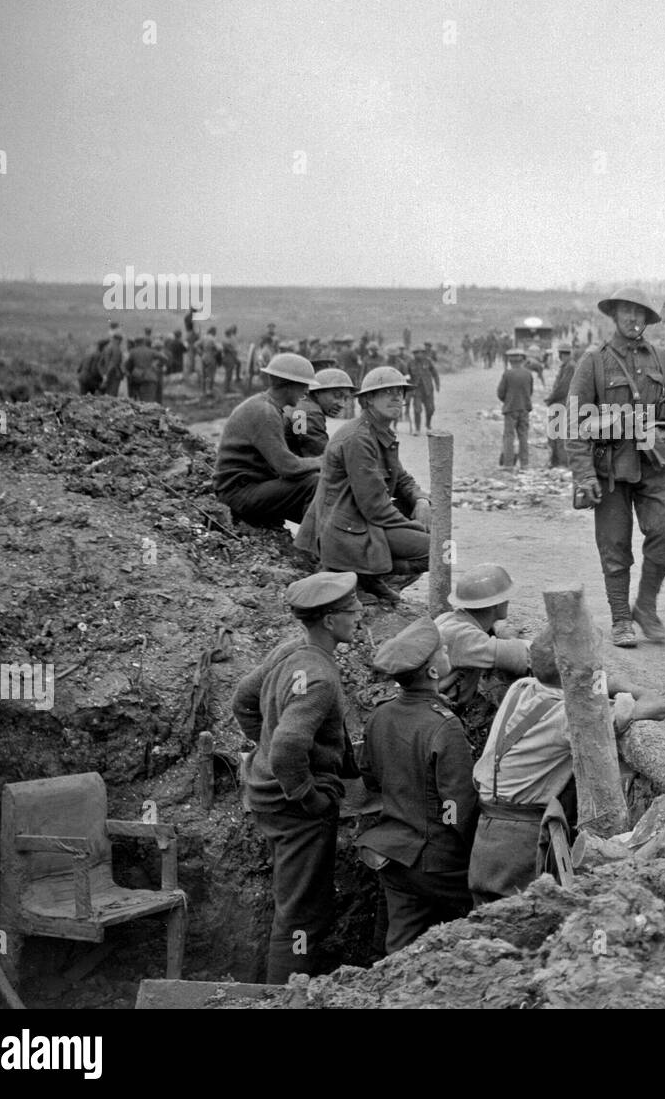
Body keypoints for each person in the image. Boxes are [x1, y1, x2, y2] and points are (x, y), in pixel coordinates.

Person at [467, 625, 665, 904]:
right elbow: (658, 707)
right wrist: (630, 690)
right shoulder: (572, 718)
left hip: (487, 835)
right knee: (524, 917)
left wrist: (588, 677)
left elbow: (580, 687)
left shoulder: (521, 688)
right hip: (521, 842)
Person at [232, 571, 363, 983]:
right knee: (301, 915)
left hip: (268, 795)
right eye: (351, 609)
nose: (360, 613)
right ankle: (285, 994)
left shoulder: (291, 651)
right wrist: (308, 794)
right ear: (328, 621)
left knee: (295, 904)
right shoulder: (320, 679)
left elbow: (244, 700)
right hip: (296, 810)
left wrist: (264, 752)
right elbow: (290, 745)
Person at [566, 287, 665, 647]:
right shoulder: (594, 362)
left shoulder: (662, 360)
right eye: (627, 312)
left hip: (653, 465)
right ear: (614, 316)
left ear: (648, 321)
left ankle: (645, 606)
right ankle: (621, 620)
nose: (633, 320)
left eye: (640, 314)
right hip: (610, 469)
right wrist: (584, 474)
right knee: (614, 546)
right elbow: (571, 422)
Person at [355, 618, 477, 956]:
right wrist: (476, 857)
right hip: (437, 863)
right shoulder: (444, 727)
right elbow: (459, 808)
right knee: (495, 906)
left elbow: (370, 778)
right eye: (442, 651)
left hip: (393, 857)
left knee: (400, 947)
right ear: (434, 673)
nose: (447, 651)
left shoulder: (380, 716)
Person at [295, 366, 432, 605]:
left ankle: (367, 580)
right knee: (442, 549)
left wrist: (421, 499)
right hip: (346, 530)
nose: (397, 397)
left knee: (437, 536)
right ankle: (361, 577)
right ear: (367, 400)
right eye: (387, 392)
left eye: (400, 391)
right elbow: (375, 507)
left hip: (359, 523)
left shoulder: (377, 433)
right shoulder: (359, 438)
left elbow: (402, 478)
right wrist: (417, 527)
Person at [213, 352, 322, 528]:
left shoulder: (266, 407)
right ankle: (311, 548)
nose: (307, 391)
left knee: (318, 502)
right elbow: (288, 467)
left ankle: (317, 540)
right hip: (240, 493)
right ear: (289, 386)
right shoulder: (265, 412)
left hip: (246, 488)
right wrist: (321, 461)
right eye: (304, 386)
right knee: (315, 482)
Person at [434, 564, 534, 755]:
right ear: (496, 605)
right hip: (439, 717)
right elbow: (526, 656)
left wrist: (503, 633)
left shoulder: (451, 620)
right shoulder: (464, 637)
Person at [285, 368, 353, 458]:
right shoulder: (311, 413)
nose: (342, 404)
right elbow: (324, 458)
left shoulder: (300, 405)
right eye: (337, 395)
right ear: (317, 392)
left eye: (345, 398)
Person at [497, 348, 534, 469]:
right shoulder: (528, 374)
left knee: (509, 436)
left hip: (510, 409)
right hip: (524, 409)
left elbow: (500, 393)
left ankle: (508, 464)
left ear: (510, 360)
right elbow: (530, 391)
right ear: (522, 359)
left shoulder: (507, 374)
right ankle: (525, 463)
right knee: (523, 436)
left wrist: (508, 401)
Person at [545, 345, 575, 468]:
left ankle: (562, 462)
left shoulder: (570, 367)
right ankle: (555, 461)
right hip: (559, 403)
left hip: (562, 403)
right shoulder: (567, 366)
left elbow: (563, 388)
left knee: (559, 433)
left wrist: (550, 398)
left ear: (562, 354)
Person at [410, 345, 440, 435]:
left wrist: (437, 384)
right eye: (415, 353)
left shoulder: (428, 361)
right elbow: (407, 377)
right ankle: (417, 429)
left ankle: (428, 425)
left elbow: (435, 373)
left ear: (423, 353)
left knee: (430, 409)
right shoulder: (410, 363)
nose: (418, 355)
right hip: (417, 390)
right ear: (413, 354)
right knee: (417, 409)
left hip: (428, 390)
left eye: (420, 352)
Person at [124, 334, 162, 402]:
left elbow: (127, 366)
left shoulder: (133, 351)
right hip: (150, 377)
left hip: (137, 378)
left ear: (136, 342)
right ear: (144, 342)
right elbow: (164, 358)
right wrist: (157, 365)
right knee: (148, 400)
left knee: (138, 400)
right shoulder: (150, 351)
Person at [99, 331, 125, 395]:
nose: (120, 342)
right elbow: (113, 363)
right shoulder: (116, 348)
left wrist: (103, 375)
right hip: (114, 375)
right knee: (112, 396)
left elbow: (100, 364)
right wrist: (107, 375)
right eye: (120, 340)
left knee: (107, 395)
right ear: (118, 340)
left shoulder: (106, 348)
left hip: (106, 374)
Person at [198, 327, 221, 400]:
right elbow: (219, 348)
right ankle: (209, 391)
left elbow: (196, 345)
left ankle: (202, 391)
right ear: (213, 332)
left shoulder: (204, 337)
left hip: (204, 357)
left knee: (204, 375)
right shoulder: (213, 339)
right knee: (211, 375)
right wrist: (215, 354)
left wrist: (201, 353)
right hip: (211, 357)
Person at [222, 326, 241, 394]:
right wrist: (235, 356)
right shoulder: (227, 341)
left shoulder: (227, 340)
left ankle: (227, 388)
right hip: (229, 359)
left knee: (229, 375)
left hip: (229, 358)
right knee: (228, 375)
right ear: (229, 333)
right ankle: (226, 389)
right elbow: (232, 351)